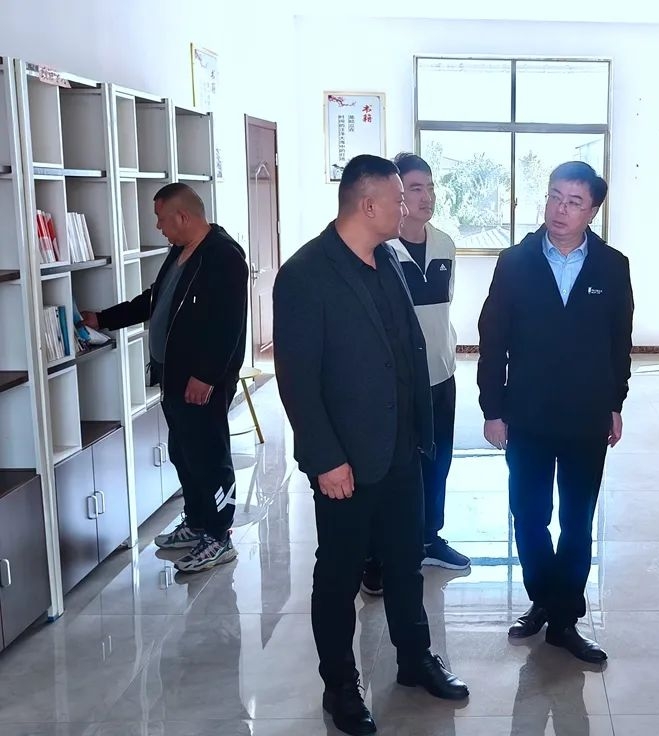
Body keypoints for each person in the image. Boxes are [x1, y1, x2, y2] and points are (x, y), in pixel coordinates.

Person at [272, 154, 469, 736]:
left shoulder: (387, 259)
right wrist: (325, 458)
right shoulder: (306, 274)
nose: (406, 208)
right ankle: (340, 685)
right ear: (367, 204)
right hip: (346, 462)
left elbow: (405, 350)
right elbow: (297, 380)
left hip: (401, 450)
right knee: (338, 575)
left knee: (405, 564)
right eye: (398, 199)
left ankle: (414, 659)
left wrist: (420, 434)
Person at [477, 161, 634, 664]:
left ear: (592, 211)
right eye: (554, 197)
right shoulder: (515, 262)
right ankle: (543, 597)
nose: (560, 210)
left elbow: (619, 343)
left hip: (586, 415)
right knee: (528, 515)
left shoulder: (612, 266)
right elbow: (492, 340)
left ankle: (565, 619)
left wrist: (615, 403)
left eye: (574, 202)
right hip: (527, 413)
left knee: (577, 518)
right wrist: (492, 408)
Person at [83, 183, 248, 573]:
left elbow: (229, 325)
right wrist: (104, 318)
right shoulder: (179, 253)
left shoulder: (223, 256)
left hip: (202, 383)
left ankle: (219, 536)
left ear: (182, 216)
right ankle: (197, 523)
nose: (158, 227)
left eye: (160, 218)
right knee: (184, 454)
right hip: (173, 378)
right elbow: (155, 300)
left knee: (210, 457)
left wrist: (206, 376)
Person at [360, 152, 469, 597]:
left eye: (430, 187)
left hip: (441, 373)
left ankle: (428, 538)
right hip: (397, 383)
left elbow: (443, 308)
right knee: (391, 470)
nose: (427, 197)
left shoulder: (445, 244)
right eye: (415, 189)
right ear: (397, 197)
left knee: (437, 462)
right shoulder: (379, 251)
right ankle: (376, 555)